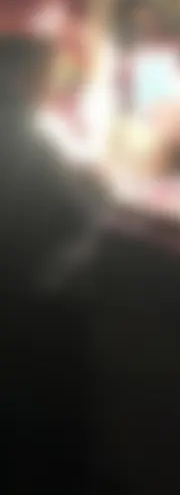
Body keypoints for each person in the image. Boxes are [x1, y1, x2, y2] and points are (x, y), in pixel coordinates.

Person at [0, 35, 103, 494]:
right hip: (35, 301)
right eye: (40, 74)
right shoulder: (19, 132)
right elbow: (56, 212)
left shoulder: (27, 130)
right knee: (47, 418)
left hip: (34, 295)